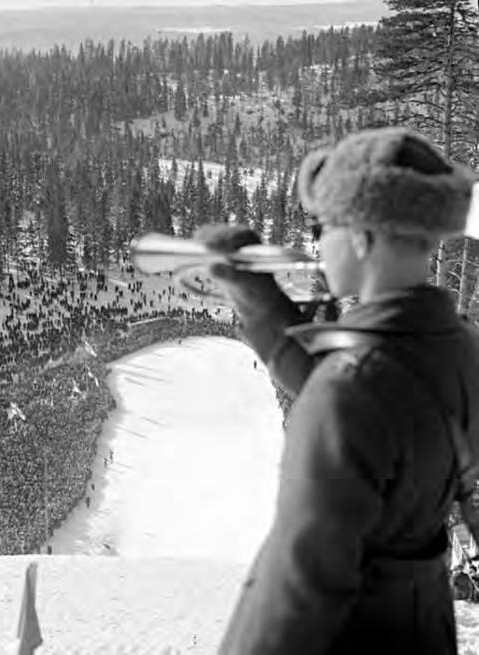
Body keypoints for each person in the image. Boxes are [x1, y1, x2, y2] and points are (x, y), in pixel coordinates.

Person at [199, 126, 479, 654]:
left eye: (321, 225)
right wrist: (259, 301)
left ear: (359, 234)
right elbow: (385, 404)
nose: (317, 242)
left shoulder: (353, 388)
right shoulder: (457, 345)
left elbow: (297, 588)